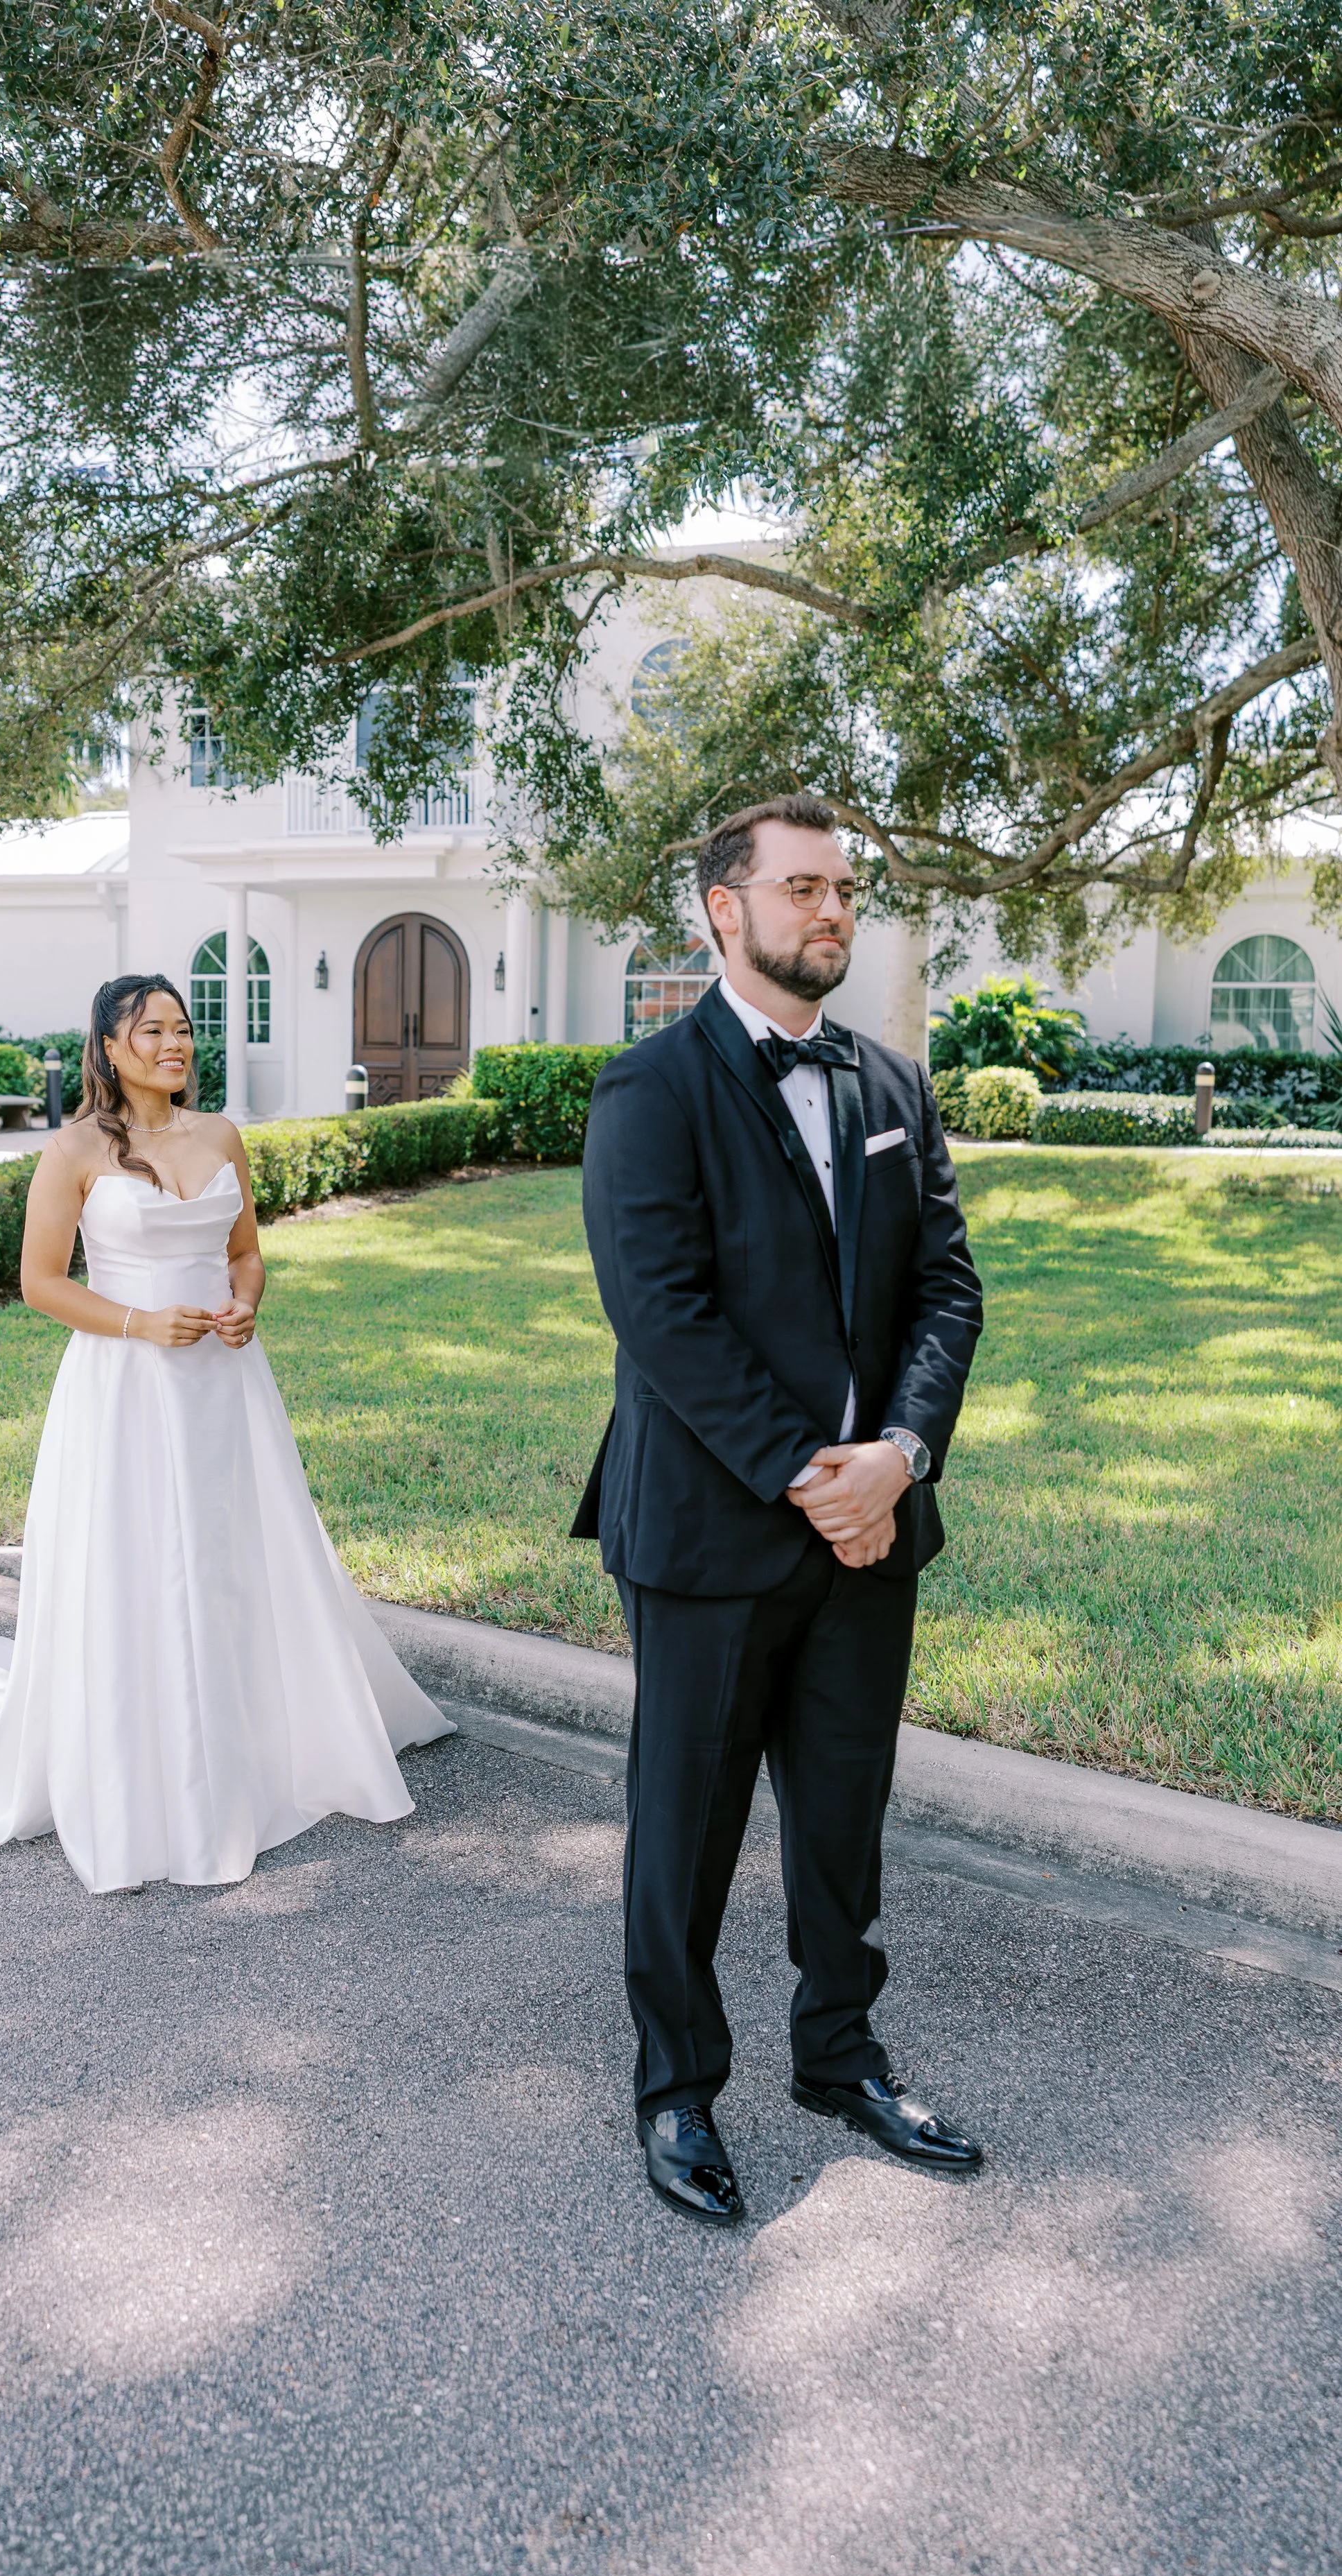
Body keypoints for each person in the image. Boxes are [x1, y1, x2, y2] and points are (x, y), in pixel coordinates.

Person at [0, 974, 450, 1890]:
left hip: (226, 1387)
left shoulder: (221, 1135)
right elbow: (42, 1281)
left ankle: (251, 1725)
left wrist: (244, 1305)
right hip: (124, 1384)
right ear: (109, 1049)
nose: (174, 1043)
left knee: (232, 1553)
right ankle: (146, 1750)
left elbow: (244, 1252)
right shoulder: (75, 1149)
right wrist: (140, 1323)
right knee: (139, 1558)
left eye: (183, 1028)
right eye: (150, 1029)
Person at [573, 793, 986, 2223]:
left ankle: (838, 2055)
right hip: (708, 1530)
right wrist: (821, 1481)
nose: (830, 912)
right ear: (720, 910)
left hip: (876, 1525)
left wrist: (902, 1454)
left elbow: (945, 1288)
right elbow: (665, 1318)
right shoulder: (647, 1092)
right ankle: (676, 2090)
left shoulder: (889, 1087)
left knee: (841, 1817)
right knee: (682, 1823)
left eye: (843, 889)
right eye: (800, 887)